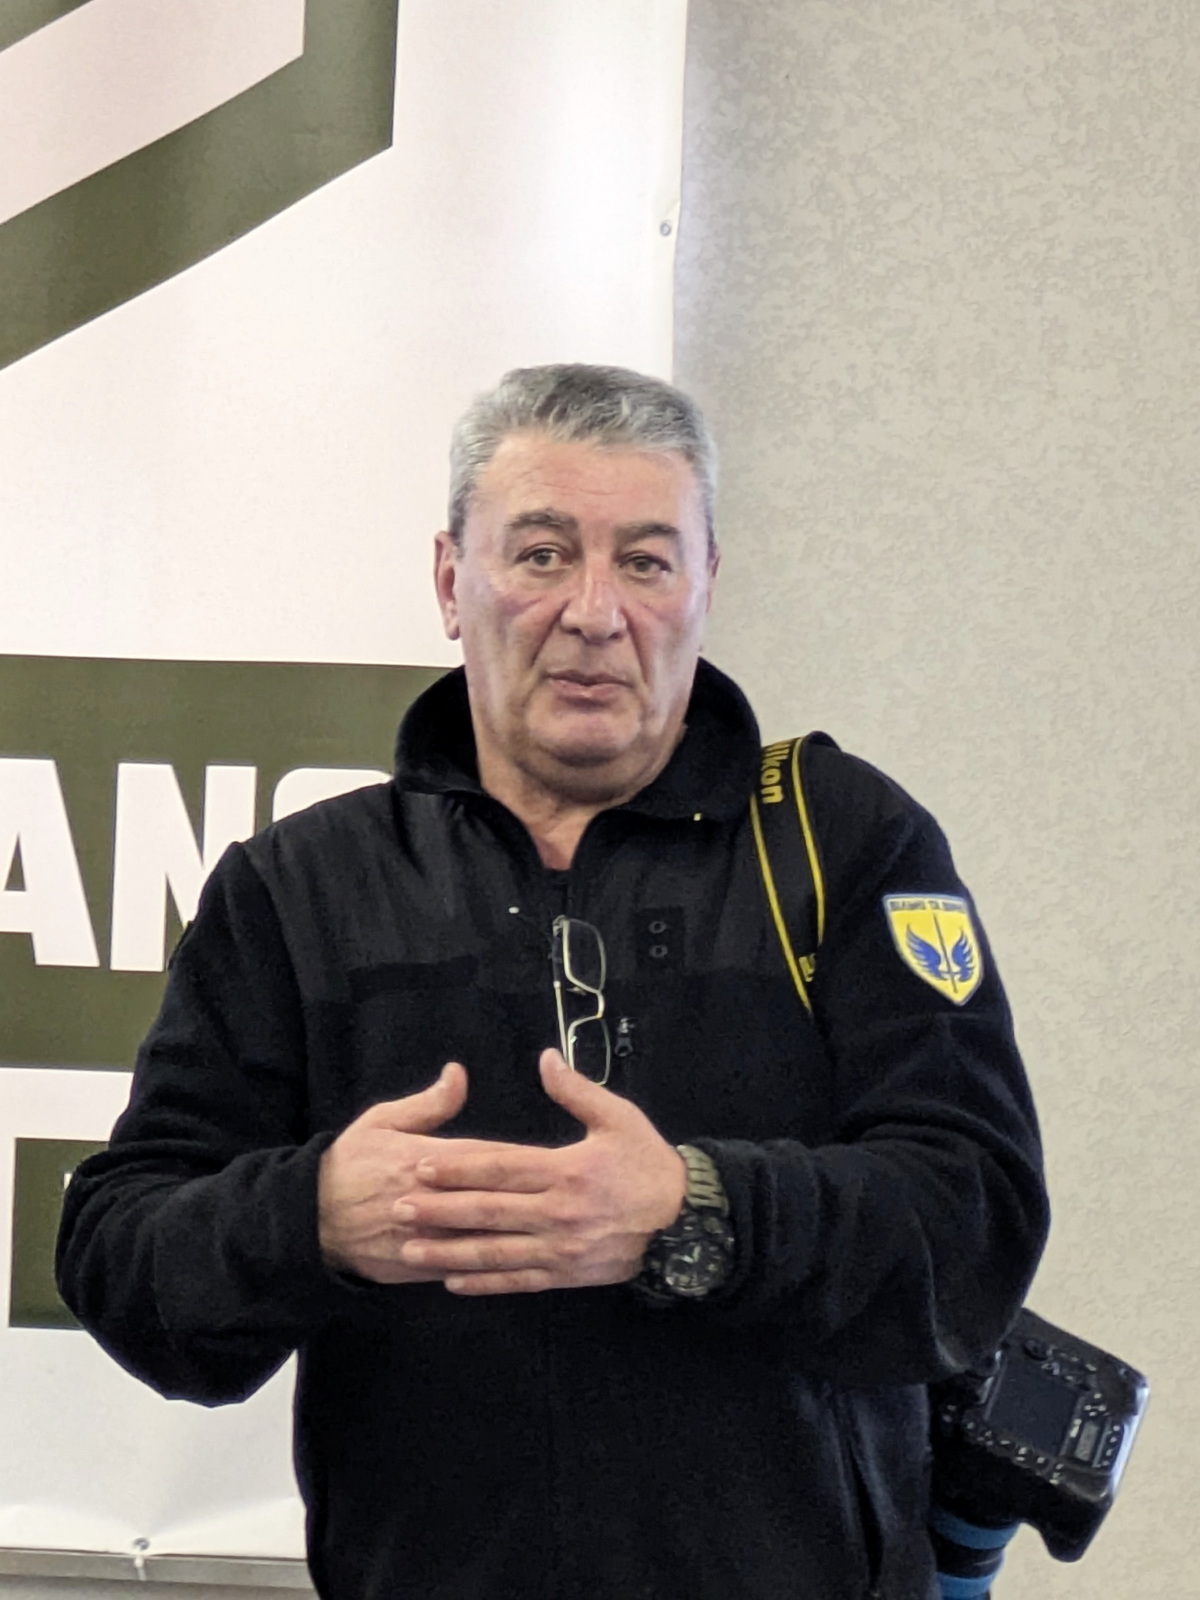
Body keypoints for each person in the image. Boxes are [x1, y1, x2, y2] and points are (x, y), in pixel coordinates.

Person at [57, 364, 1048, 1600]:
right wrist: (311, 1218)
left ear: (705, 584)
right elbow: (121, 1256)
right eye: (541, 554)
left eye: (646, 561)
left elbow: (974, 1222)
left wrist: (693, 1212)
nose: (594, 611)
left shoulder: (846, 842)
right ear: (449, 581)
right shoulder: (300, 887)